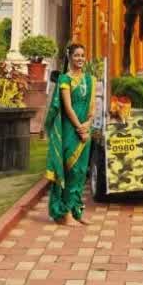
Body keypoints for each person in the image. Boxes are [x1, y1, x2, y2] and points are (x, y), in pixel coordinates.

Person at [44, 43, 96, 226]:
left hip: (85, 130)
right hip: (70, 130)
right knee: (70, 171)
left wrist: (88, 124)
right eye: (76, 56)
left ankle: (76, 210)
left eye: (82, 55)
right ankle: (64, 213)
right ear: (70, 57)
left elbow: (92, 108)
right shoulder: (65, 79)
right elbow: (67, 107)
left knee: (81, 172)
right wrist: (79, 128)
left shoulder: (90, 80)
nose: (80, 59)